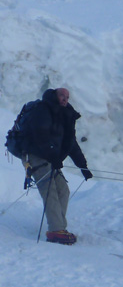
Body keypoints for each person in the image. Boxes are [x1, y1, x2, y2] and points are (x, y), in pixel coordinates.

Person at [24, 87, 93, 245]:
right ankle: (56, 230)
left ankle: (59, 228)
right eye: (62, 95)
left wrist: (83, 167)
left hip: (50, 158)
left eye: (67, 97)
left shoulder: (65, 114)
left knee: (63, 190)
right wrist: (53, 156)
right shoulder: (43, 109)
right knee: (50, 190)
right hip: (36, 156)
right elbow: (40, 135)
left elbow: (71, 144)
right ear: (55, 95)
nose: (65, 99)